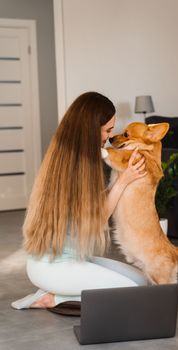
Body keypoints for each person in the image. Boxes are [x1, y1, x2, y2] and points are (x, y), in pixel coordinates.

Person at [11, 91, 147, 310]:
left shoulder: (72, 157)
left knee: (143, 283)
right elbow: (96, 220)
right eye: (107, 130)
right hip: (53, 267)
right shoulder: (75, 167)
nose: (110, 137)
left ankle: (63, 291)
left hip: (71, 261)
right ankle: (53, 298)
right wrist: (124, 181)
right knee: (136, 294)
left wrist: (123, 176)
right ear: (91, 129)